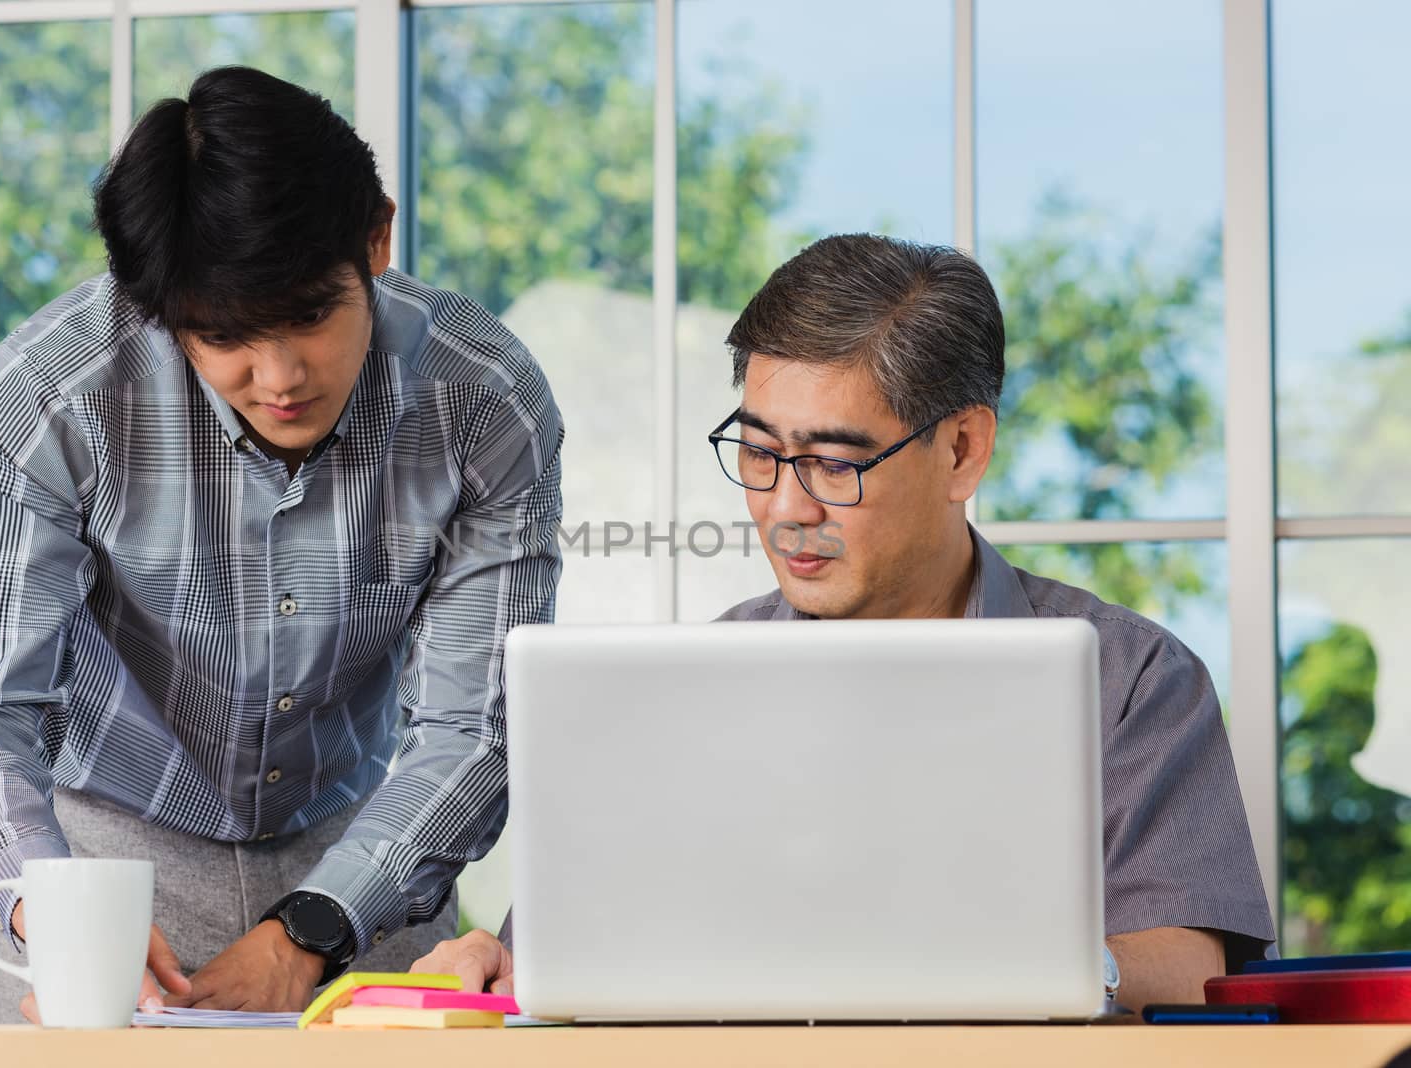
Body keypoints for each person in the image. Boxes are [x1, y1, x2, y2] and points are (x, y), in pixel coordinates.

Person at [411, 234, 1273, 1013]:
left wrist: (1059, 969)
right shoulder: (680, 694)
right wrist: (493, 959)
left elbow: (1188, 961)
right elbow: (562, 950)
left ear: (964, 450)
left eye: (832, 462)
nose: (785, 507)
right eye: (756, 452)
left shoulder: (1130, 678)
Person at [0, 66, 563, 1023]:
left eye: (309, 314)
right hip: (98, 861)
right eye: (223, 337)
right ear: (159, 311)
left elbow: (472, 728)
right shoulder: (49, 398)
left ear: (376, 238)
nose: (280, 376)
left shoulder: (485, 403)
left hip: (370, 860)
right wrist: (46, 908)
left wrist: (313, 928)